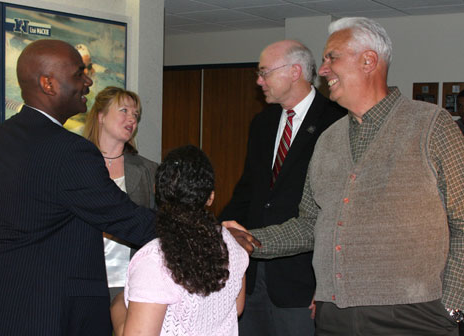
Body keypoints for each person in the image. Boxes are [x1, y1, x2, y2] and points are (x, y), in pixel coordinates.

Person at [226, 17, 464, 335]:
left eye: (332, 57)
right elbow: (310, 225)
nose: (323, 70)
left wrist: (451, 306)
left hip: (413, 317)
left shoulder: (432, 125)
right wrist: (250, 241)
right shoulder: (328, 140)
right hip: (333, 315)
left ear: (368, 61)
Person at [0, 39, 156, 335]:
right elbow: (128, 219)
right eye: (79, 73)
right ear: (48, 84)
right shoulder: (69, 152)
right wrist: (209, 233)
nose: (89, 80)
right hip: (44, 312)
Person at [219, 40, 345, 335]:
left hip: (303, 281)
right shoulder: (262, 123)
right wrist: (219, 234)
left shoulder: (336, 122)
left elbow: (339, 214)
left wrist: (328, 283)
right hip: (252, 276)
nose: (258, 81)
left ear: (294, 72)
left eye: (264, 72)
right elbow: (247, 191)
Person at [111, 145, 249, 336]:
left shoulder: (155, 259)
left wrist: (118, 306)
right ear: (210, 197)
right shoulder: (232, 246)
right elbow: (237, 308)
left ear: (156, 191)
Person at [84, 86, 157, 301]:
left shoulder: (149, 170)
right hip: (85, 279)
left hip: (132, 282)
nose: (132, 119)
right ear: (101, 116)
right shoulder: (77, 166)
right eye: (124, 110)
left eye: (135, 114)